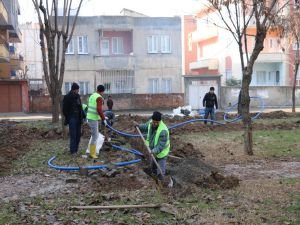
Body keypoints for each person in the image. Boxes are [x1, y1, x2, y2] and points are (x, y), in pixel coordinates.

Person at [135, 111, 170, 180]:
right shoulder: (151, 123)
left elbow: (160, 145)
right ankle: (154, 176)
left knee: (160, 169)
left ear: (160, 121)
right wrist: (138, 126)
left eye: (157, 122)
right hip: (153, 151)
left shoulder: (163, 130)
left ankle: (162, 180)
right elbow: (145, 127)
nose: (155, 124)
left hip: (162, 153)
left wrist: (154, 151)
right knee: (153, 165)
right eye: (154, 122)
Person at [62, 82, 85, 155]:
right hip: (72, 118)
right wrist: (69, 117)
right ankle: (73, 151)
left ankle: (76, 149)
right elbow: (64, 109)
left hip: (78, 118)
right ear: (74, 89)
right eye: (77, 89)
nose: (78, 91)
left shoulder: (78, 96)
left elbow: (80, 107)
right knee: (73, 135)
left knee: (78, 135)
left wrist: (83, 116)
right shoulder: (67, 97)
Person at [86, 84, 107, 159]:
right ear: (102, 91)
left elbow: (93, 108)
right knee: (95, 136)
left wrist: (103, 117)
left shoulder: (92, 95)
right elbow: (99, 109)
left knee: (95, 135)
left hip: (90, 117)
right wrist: (103, 119)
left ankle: (92, 152)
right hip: (93, 119)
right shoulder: (99, 97)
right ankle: (92, 153)